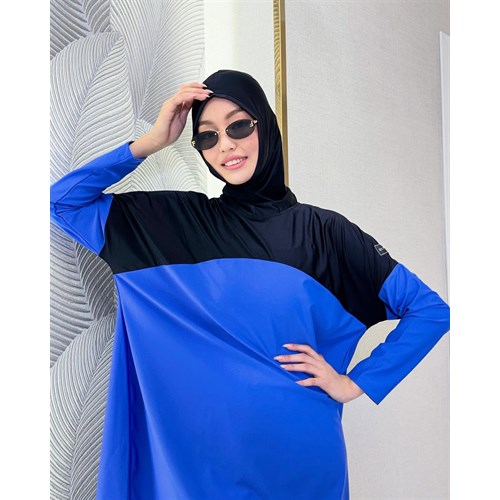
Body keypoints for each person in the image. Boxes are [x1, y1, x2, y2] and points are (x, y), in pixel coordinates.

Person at [50, 69, 450, 499]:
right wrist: (151, 142)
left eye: (239, 126)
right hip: (195, 470)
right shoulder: (174, 225)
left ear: (265, 125)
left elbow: (430, 311)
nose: (225, 145)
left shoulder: (325, 234)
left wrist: (353, 383)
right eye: (208, 136)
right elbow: (63, 202)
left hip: (301, 462)